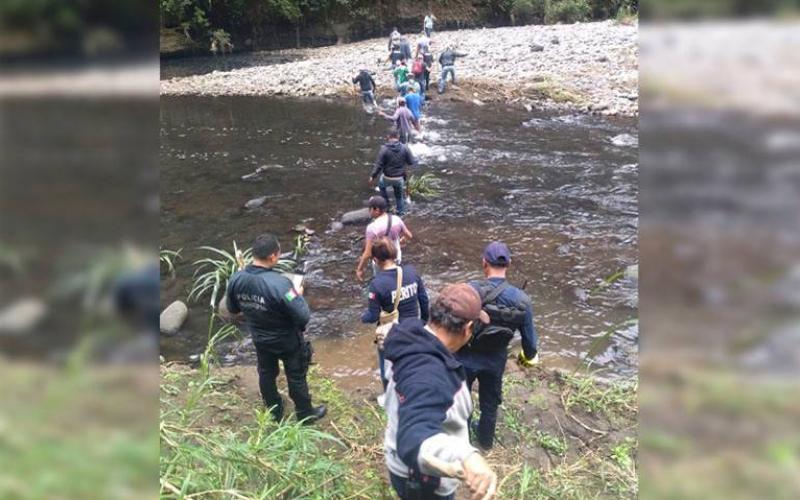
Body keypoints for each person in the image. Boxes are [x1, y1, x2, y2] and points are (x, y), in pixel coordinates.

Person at [383, 283, 497, 500]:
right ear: (468, 329)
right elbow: (414, 437)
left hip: (397, 460)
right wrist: (467, 456)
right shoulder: (432, 377)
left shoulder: (405, 336)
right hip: (424, 480)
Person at [226, 233, 327, 424]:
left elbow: (233, 309)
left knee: (266, 373)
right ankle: (305, 414)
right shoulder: (282, 284)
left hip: (260, 337)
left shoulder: (236, 280)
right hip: (287, 339)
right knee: (296, 376)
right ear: (273, 256)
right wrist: (298, 294)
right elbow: (303, 315)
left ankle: (274, 412)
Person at [456, 242, 539, 451]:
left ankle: (463, 443)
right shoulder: (523, 300)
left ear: (484, 263)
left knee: (462, 402)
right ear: (508, 264)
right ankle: (485, 443)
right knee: (490, 404)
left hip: (464, 357)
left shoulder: (470, 290)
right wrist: (526, 358)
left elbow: (453, 325)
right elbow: (530, 346)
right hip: (495, 360)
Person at [361, 237, 430, 389]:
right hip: (414, 330)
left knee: (387, 370)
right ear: (395, 253)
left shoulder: (377, 284)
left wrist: (362, 318)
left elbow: (372, 316)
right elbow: (424, 301)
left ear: (375, 260)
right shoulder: (412, 272)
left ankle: (389, 396)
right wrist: (423, 322)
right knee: (413, 366)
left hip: (392, 334)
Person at [356, 196, 413, 282]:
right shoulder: (396, 219)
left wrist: (360, 269)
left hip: (381, 261)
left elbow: (367, 253)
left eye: (370, 209)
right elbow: (409, 236)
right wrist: (402, 240)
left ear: (376, 210)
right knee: (395, 278)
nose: (369, 211)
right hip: (396, 257)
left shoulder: (372, 228)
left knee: (381, 280)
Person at [370, 130, 417, 217]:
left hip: (387, 177)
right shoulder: (405, 148)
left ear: (388, 137)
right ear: (398, 137)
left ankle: (387, 205)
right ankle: (401, 213)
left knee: (381, 185)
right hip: (399, 178)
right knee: (399, 196)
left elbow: (378, 165)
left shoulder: (384, 149)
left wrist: (373, 176)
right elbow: (411, 162)